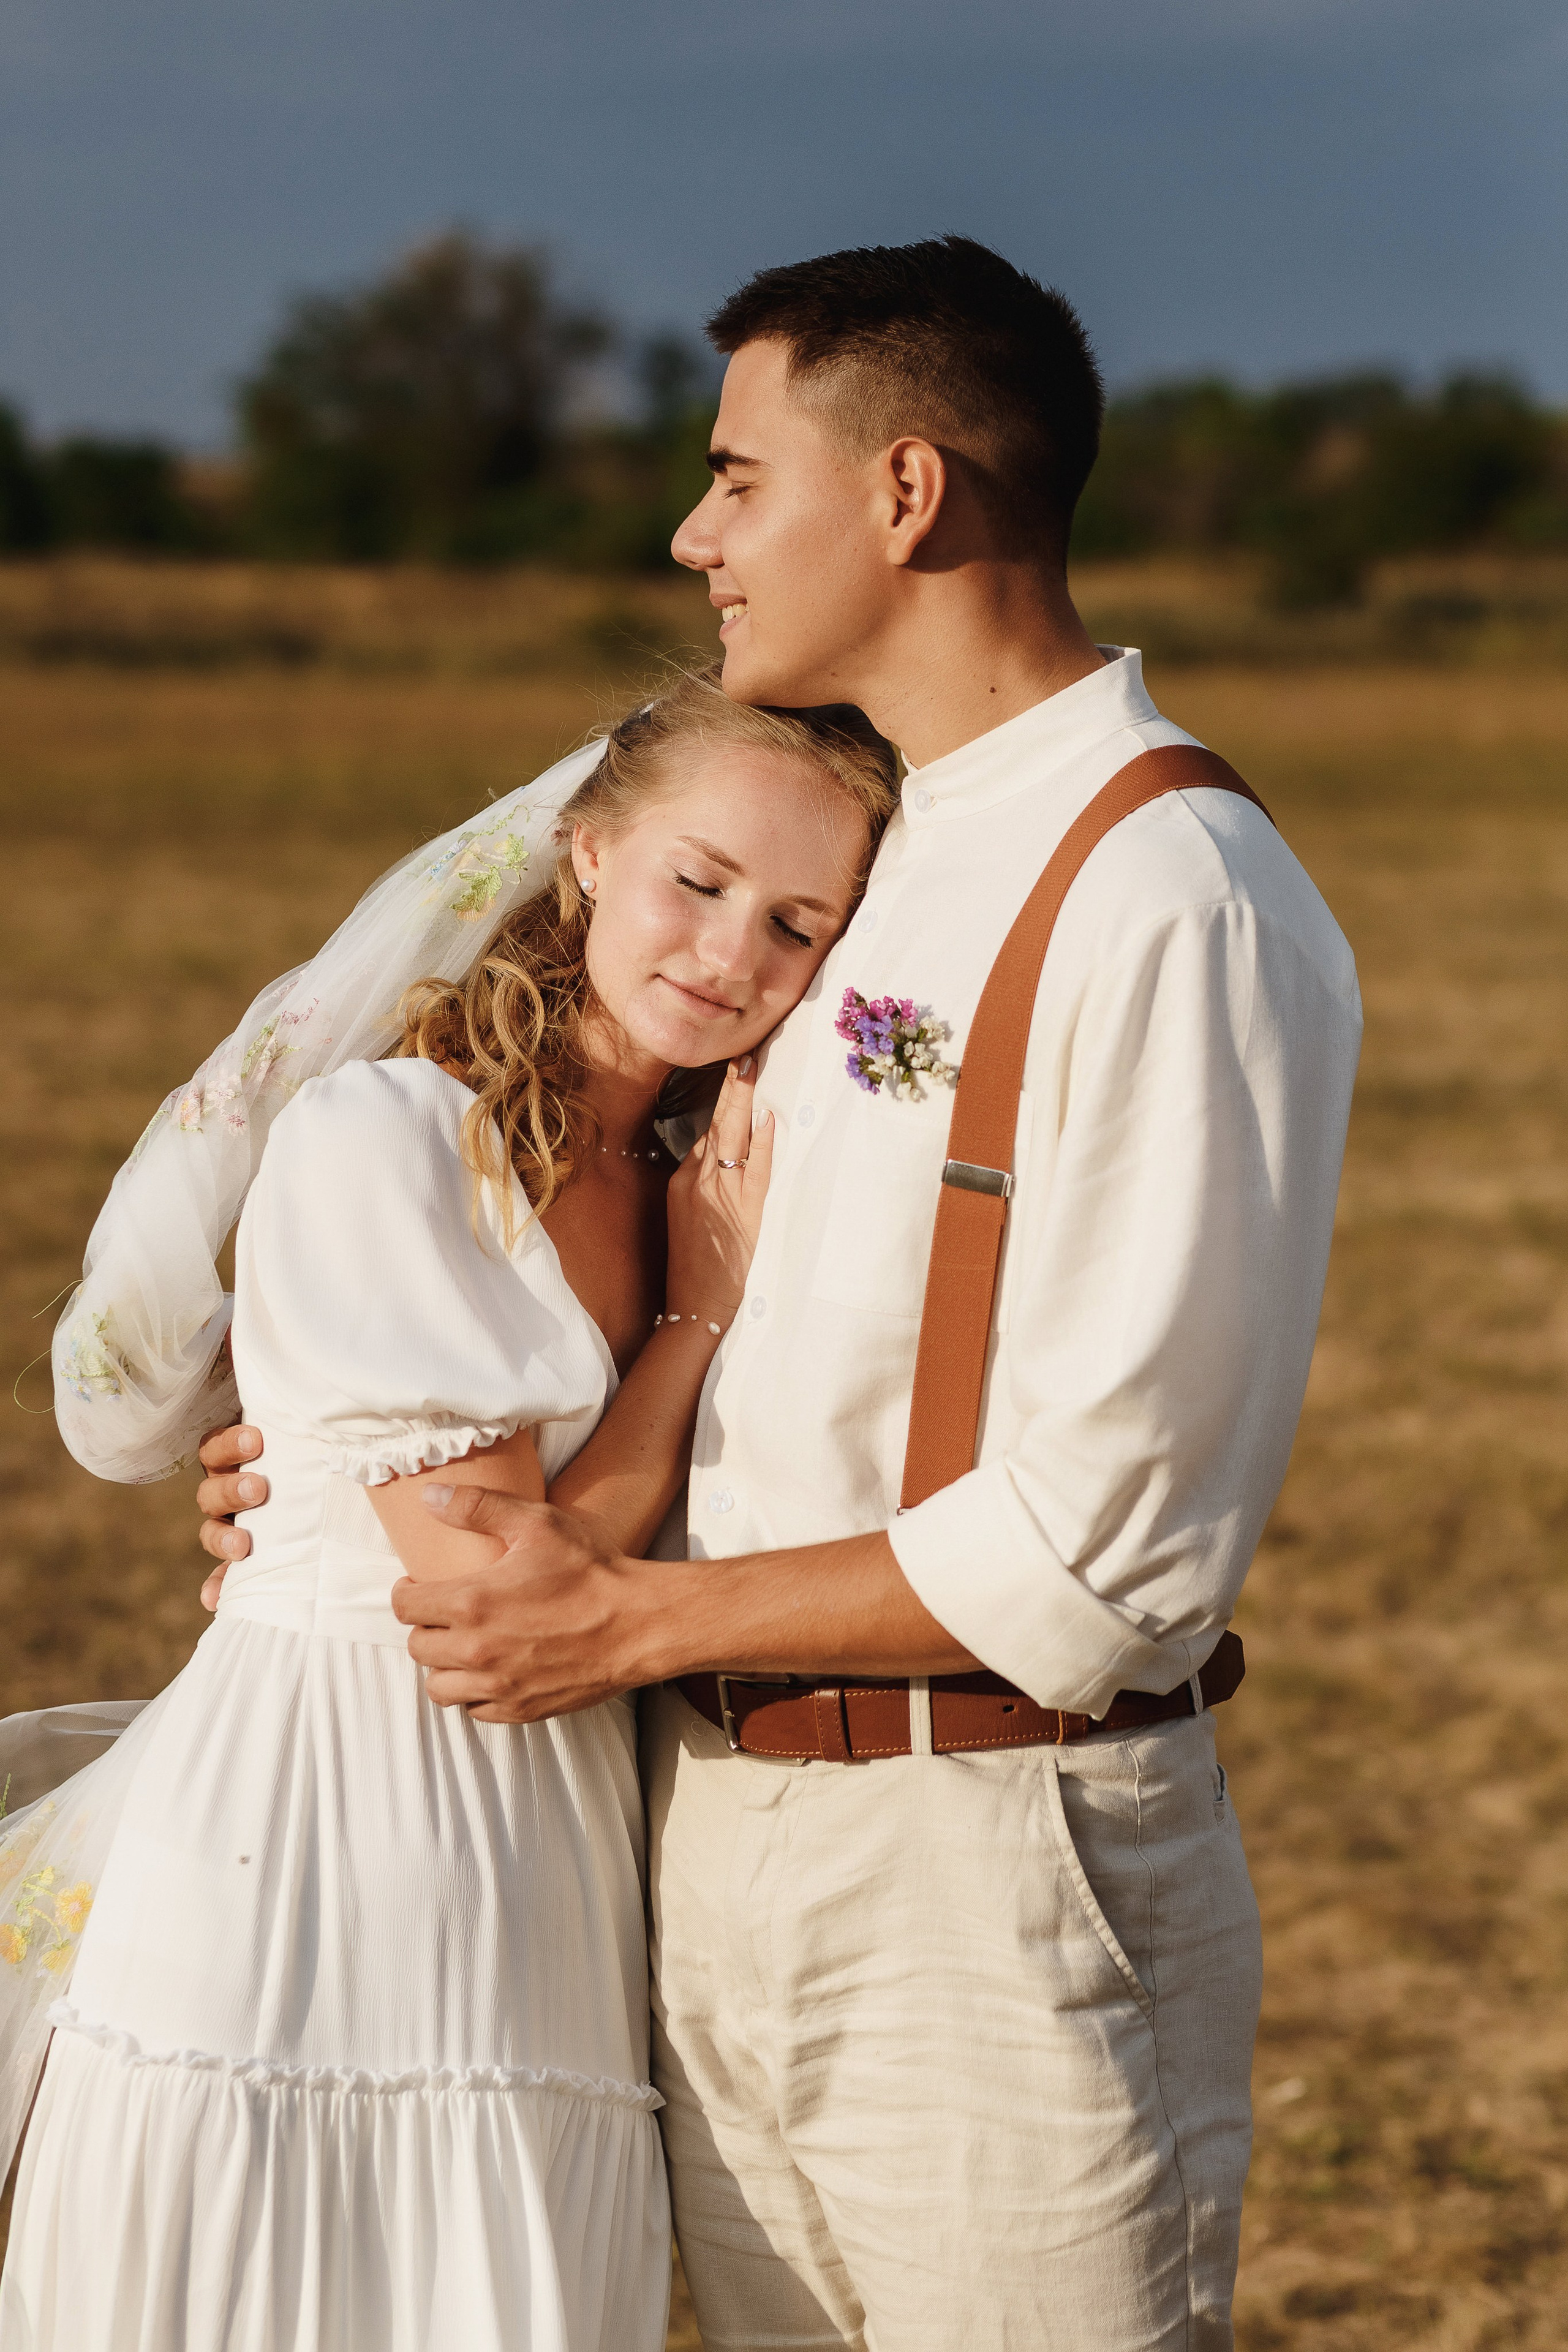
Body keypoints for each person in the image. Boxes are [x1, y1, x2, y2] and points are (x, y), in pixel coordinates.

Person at [198, 236, 1363, 2348]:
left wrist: (616, 1615)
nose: (692, 530)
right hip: (689, 1827)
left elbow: (1115, 1545)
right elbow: (687, 1276)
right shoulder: (863, 840)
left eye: (739, 473)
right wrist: (355, 1475)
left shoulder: (1167, 890)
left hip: (985, 1869)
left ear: (906, 496)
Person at [0, 669, 899, 2350]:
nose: (727, 956)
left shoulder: (701, 1173)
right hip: (323, 1840)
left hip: (544, 1859)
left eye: (796, 925)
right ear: (582, 855)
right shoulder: (389, 1139)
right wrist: (693, 1326)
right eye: (694, 882)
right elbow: (497, 1587)